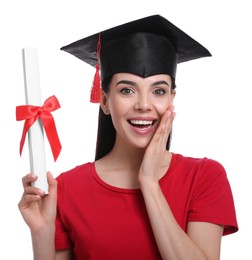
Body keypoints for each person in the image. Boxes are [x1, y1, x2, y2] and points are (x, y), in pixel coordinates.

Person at [18, 15, 238, 260]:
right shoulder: (67, 188)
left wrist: (149, 183)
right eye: (127, 90)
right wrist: (41, 233)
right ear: (104, 101)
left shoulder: (204, 177)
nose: (144, 105)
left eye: (158, 91)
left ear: (171, 99)